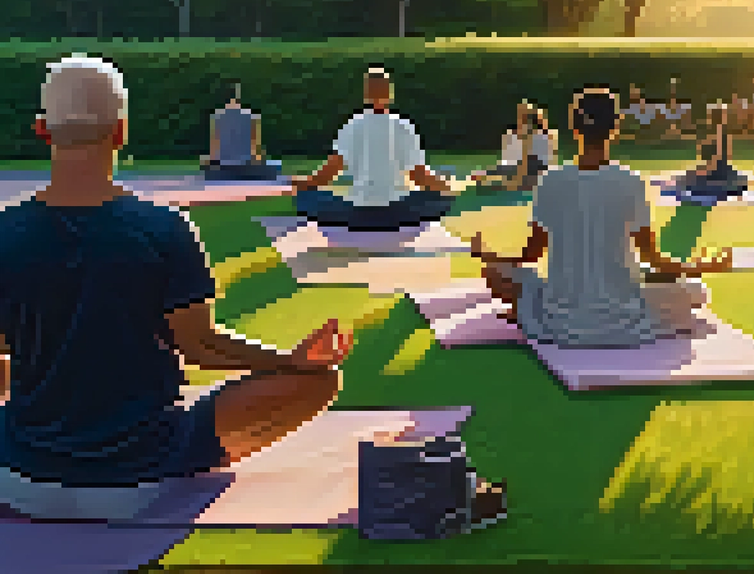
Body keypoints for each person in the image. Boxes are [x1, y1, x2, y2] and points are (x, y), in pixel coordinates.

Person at [0, 57, 360, 495]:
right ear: (121, 132)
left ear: (42, 130)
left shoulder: (5, 231)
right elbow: (200, 345)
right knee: (320, 380)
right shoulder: (162, 226)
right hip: (148, 454)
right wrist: (291, 360)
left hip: (24, 459)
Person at [468, 88, 733, 348]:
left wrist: (492, 257)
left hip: (559, 320)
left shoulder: (550, 181)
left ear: (574, 129)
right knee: (695, 291)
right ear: (615, 128)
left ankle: (524, 312)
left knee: (495, 273)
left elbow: (531, 256)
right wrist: (700, 267)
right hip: (623, 318)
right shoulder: (631, 182)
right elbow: (653, 260)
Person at [291, 67, 456, 232]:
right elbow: (419, 176)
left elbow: (328, 173)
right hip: (399, 213)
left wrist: (305, 183)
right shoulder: (404, 126)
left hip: (357, 215)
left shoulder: (352, 125)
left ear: (366, 95)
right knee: (440, 198)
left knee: (307, 197)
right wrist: (444, 185)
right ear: (390, 94)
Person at [201, 83, 283, 181]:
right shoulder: (251, 116)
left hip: (223, 165)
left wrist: (210, 163)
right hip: (246, 165)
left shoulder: (216, 117)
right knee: (277, 165)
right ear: (238, 96)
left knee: (206, 164)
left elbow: (214, 147)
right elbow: (256, 147)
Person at [673, 105, 752, 204]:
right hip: (721, 171)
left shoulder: (720, 133)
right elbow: (725, 156)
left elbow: (717, 158)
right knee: (690, 176)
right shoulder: (721, 133)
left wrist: (705, 170)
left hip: (718, 173)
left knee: (690, 180)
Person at [478, 102, 556, 192]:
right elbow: (509, 160)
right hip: (516, 167)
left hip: (533, 168)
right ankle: (505, 183)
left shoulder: (544, 136)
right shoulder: (513, 135)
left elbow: (544, 161)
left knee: (526, 168)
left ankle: (508, 184)